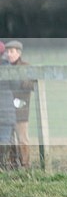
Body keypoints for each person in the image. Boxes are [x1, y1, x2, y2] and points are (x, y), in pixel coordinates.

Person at [5, 40, 33, 168]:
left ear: (18, 53)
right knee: (10, 140)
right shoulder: (5, 68)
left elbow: (30, 84)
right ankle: (12, 164)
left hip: (21, 109)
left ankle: (25, 164)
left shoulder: (26, 67)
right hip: (7, 110)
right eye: (7, 52)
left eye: (11, 51)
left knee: (22, 139)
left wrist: (19, 83)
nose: (9, 54)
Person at [0, 42, 17, 167]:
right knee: (4, 139)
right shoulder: (8, 68)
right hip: (6, 110)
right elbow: (16, 85)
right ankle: (3, 166)